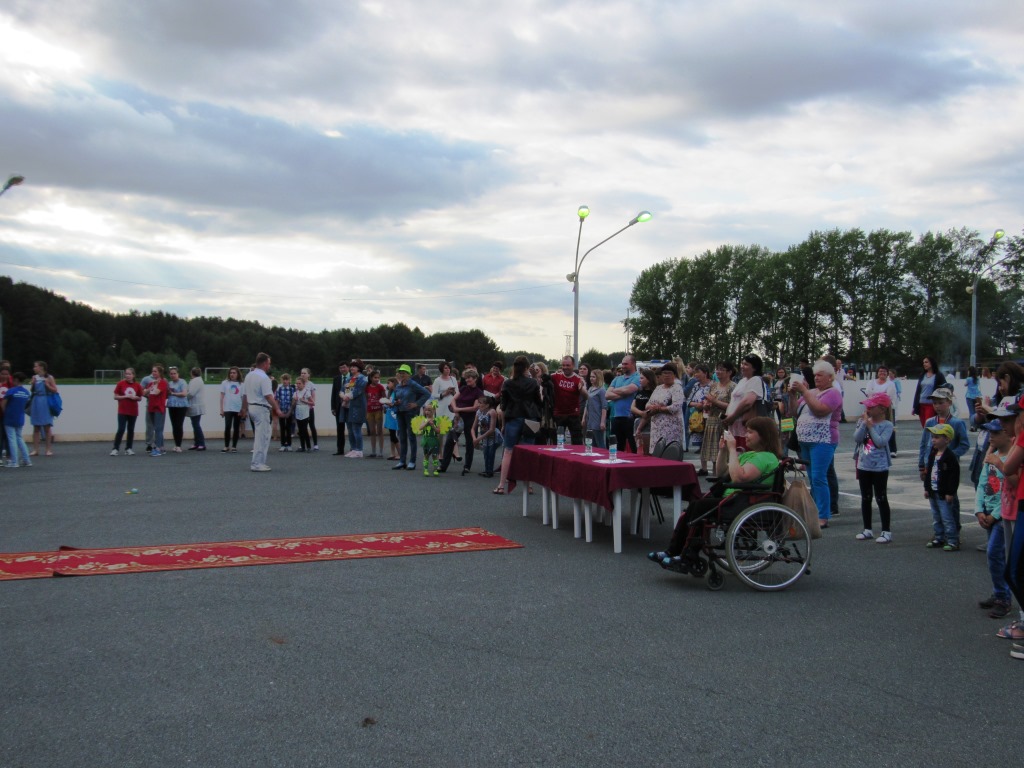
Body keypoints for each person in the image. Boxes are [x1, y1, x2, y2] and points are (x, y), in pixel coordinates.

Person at [648, 416, 782, 570]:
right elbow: (722, 472)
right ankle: (674, 552)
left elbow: (739, 478)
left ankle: (687, 555)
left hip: (743, 502)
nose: (745, 435)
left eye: (750, 432)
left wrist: (733, 449)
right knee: (694, 507)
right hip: (734, 498)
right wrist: (723, 450)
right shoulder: (750, 455)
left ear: (763, 435)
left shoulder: (765, 457)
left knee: (699, 508)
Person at [790, 360, 844, 528]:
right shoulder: (812, 392)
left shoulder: (833, 393)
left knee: (819, 477)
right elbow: (793, 411)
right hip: (806, 441)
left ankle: (823, 515)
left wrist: (804, 391)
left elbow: (820, 410)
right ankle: (815, 511)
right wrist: (792, 395)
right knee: (813, 478)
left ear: (830, 377)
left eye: (820, 375)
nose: (816, 378)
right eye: (815, 375)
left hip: (823, 440)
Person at [975, 418, 1014, 618]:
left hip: (1001, 515)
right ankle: (999, 591)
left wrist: (994, 515)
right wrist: (979, 510)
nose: (991, 436)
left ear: (1008, 434)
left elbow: (1008, 491)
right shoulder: (991, 457)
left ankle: (1003, 597)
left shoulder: (1010, 460)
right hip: (988, 511)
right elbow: (982, 484)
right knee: (995, 556)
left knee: (994, 553)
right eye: (990, 432)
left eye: (996, 433)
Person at [917, 386, 969, 523]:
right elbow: (924, 444)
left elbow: (964, 444)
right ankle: (940, 528)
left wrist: (951, 455)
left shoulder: (957, 423)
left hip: (948, 468)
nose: (937, 406)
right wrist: (922, 466)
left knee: (950, 497)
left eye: (941, 402)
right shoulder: (930, 422)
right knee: (934, 497)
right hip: (931, 467)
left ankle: (954, 528)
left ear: (949, 403)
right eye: (935, 403)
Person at [494, 355, 542, 494]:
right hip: (531, 418)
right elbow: (539, 402)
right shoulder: (533, 383)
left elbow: (503, 405)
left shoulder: (508, 383)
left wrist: (503, 423)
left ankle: (501, 485)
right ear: (527, 367)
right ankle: (529, 485)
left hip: (513, 418)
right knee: (529, 452)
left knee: (508, 451)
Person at [853, 392, 894, 543]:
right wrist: (864, 424)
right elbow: (857, 438)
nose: (868, 409)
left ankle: (886, 531)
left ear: (882, 409)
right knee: (866, 497)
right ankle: (867, 529)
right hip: (864, 465)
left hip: (879, 467)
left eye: (871, 406)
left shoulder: (887, 425)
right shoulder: (863, 422)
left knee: (881, 497)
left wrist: (870, 426)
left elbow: (880, 442)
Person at [241, 352, 282, 472]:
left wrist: (244, 409)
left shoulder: (249, 375)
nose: (269, 366)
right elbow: (268, 396)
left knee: (261, 435)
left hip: (252, 407)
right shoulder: (264, 378)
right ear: (264, 363)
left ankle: (259, 462)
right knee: (262, 437)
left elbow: (245, 395)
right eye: (269, 363)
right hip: (261, 408)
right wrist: (277, 408)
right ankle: (257, 463)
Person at [924, 423, 961, 550]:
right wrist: (927, 488)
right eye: (932, 437)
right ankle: (939, 537)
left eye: (937, 437)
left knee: (947, 517)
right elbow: (928, 472)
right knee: (936, 517)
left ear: (947, 439)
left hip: (944, 493)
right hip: (933, 492)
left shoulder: (950, 457)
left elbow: (954, 477)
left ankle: (952, 539)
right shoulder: (933, 454)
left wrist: (950, 492)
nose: (933, 440)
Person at [441, 369, 483, 474]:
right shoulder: (463, 388)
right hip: (458, 418)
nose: (467, 380)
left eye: (469, 378)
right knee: (450, 440)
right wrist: (456, 410)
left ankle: (467, 466)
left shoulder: (479, 392)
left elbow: (474, 408)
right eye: (466, 378)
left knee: (469, 442)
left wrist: (458, 409)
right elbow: (453, 400)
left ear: (475, 379)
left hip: (471, 419)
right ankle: (443, 466)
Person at [723, 353, 768, 450]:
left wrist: (733, 416)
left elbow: (748, 402)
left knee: (744, 452)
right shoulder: (742, 381)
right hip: (735, 425)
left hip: (745, 427)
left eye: (746, 364)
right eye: (742, 363)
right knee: (735, 452)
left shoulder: (756, 380)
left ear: (755, 368)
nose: (742, 366)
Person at [391, 364, 431, 471]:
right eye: (400, 373)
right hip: (400, 412)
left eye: (404, 373)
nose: (402, 374)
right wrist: (396, 402)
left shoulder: (413, 384)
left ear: (409, 374)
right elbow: (397, 398)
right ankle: (402, 461)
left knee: (411, 436)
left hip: (410, 413)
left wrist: (416, 404)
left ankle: (412, 461)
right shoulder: (398, 386)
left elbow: (427, 394)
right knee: (402, 437)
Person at [700, 362, 735, 478]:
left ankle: (721, 476)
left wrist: (714, 402)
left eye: (721, 369)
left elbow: (733, 406)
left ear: (729, 372)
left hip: (724, 421)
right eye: (717, 369)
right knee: (713, 451)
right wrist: (706, 405)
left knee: (723, 451)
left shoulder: (733, 387)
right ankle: (715, 475)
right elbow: (708, 402)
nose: (718, 372)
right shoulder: (713, 385)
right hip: (712, 420)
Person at [644, 363, 685, 451]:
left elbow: (675, 407)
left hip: (672, 428)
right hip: (656, 427)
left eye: (669, 373)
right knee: (656, 452)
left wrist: (659, 408)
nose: (667, 375)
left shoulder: (677, 388)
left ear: (674, 375)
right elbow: (647, 405)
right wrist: (654, 407)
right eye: (664, 373)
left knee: (669, 452)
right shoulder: (658, 388)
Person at [606, 355, 642, 453]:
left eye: (626, 364)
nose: (623, 366)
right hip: (616, 417)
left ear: (633, 364)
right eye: (622, 364)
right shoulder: (617, 379)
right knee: (616, 447)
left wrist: (615, 390)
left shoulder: (638, 378)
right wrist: (623, 394)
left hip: (630, 417)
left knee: (633, 447)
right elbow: (607, 395)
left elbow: (629, 390)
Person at [551, 355, 588, 445]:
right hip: (559, 414)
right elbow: (543, 377)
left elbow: (586, 396)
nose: (565, 367)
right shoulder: (555, 376)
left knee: (577, 442)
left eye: (568, 365)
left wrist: (581, 389)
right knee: (558, 442)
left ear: (573, 365)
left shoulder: (579, 379)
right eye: (563, 365)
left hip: (573, 414)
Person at [866, 365, 899, 456]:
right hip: (873, 408)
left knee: (890, 427)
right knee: (871, 426)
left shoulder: (891, 384)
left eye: (884, 371)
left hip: (887, 409)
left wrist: (875, 395)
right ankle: (869, 447)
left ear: (887, 373)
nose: (882, 373)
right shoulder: (871, 382)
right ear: (877, 373)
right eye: (880, 371)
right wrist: (881, 395)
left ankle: (892, 450)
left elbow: (889, 396)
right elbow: (868, 392)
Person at [2, 372, 32, 468]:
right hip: (20, 417)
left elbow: (3, 404)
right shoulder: (26, 392)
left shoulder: (11, 391)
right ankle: (27, 460)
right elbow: (26, 405)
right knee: (19, 438)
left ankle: (14, 462)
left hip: (10, 417)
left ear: (16, 380)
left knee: (11, 439)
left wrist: (5, 413)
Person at [29, 361, 58, 457]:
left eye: (35, 366)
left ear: (41, 367)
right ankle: (35, 449)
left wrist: (47, 385)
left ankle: (48, 449)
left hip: (45, 401)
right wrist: (33, 384)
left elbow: (55, 390)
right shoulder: (34, 377)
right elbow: (32, 390)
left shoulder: (49, 377)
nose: (34, 368)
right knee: (36, 427)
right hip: (36, 400)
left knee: (47, 426)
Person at [112, 367, 143, 456]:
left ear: (133, 375)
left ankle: (129, 448)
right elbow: (115, 396)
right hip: (122, 410)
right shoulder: (120, 384)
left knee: (131, 429)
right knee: (121, 429)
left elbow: (140, 397)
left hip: (133, 410)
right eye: (126, 374)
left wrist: (135, 397)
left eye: (129, 374)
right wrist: (125, 396)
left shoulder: (137, 385)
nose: (128, 376)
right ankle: (115, 448)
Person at [411, 402, 449, 476]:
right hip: (426, 440)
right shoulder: (424, 420)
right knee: (426, 455)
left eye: (429, 410)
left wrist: (433, 426)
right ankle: (426, 469)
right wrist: (426, 423)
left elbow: (438, 431)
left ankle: (435, 469)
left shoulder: (436, 420)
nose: (427, 412)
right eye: (426, 410)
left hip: (434, 440)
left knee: (435, 456)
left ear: (433, 411)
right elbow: (420, 428)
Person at [912, 356, 948, 426]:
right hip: (921, 404)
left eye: (926, 362)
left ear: (932, 363)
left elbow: (945, 388)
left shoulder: (938, 375)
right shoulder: (922, 375)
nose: (924, 364)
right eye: (923, 362)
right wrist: (914, 406)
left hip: (931, 405)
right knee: (924, 426)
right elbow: (918, 391)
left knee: (929, 425)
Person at [343, 360, 368, 458]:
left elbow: (358, 391)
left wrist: (347, 397)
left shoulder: (362, 379)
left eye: (354, 366)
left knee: (356, 428)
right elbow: (346, 390)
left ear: (359, 368)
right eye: (351, 366)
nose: (352, 368)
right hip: (350, 406)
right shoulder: (350, 378)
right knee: (350, 429)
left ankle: (359, 450)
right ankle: (353, 449)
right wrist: (344, 396)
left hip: (358, 406)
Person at [471, 394, 499, 478]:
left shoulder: (492, 412)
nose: (478, 405)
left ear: (487, 405)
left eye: (480, 403)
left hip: (493, 436)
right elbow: (473, 428)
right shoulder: (479, 412)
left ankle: (489, 471)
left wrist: (479, 438)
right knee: (485, 452)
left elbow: (492, 429)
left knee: (491, 452)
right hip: (484, 435)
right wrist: (474, 438)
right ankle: (487, 469)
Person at [630, 369, 656, 455]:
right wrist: (641, 413)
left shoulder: (653, 392)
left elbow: (649, 412)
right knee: (639, 449)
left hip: (648, 423)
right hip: (637, 420)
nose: (639, 380)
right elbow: (632, 407)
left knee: (647, 450)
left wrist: (644, 415)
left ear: (649, 379)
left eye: (642, 378)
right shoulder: (639, 391)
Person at [145, 364, 169, 457]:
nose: (153, 373)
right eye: (152, 371)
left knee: (158, 429)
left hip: (159, 408)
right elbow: (143, 392)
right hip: (151, 408)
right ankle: (161, 447)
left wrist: (153, 387)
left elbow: (156, 392)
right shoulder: (151, 383)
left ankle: (158, 448)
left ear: (160, 373)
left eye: (155, 371)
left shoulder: (162, 382)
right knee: (156, 428)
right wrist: (150, 388)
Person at [219, 367, 243, 453]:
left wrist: (243, 409)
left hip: (237, 408)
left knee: (236, 427)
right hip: (228, 408)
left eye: (234, 373)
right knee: (227, 427)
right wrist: (221, 409)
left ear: (238, 374)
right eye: (231, 373)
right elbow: (222, 397)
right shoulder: (225, 383)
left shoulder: (241, 384)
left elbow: (243, 397)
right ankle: (226, 446)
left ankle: (234, 446)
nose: (232, 374)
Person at [583, 369, 608, 449]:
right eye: (590, 376)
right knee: (591, 442)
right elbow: (587, 404)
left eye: (593, 377)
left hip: (597, 419)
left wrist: (602, 422)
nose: (591, 378)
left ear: (598, 377)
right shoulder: (590, 389)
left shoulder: (601, 390)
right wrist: (584, 418)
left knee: (599, 442)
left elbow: (604, 406)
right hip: (590, 419)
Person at [166, 367, 189, 453]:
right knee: (174, 425)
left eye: (174, 373)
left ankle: (179, 445)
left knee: (179, 425)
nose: (173, 375)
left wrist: (173, 393)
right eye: (171, 374)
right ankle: (176, 444)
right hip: (172, 406)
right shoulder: (169, 383)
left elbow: (184, 393)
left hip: (181, 406)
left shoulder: (182, 382)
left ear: (178, 374)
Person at [364, 370, 386, 458]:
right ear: (371, 378)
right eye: (375, 377)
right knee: (372, 431)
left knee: (379, 431)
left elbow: (384, 398)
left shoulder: (380, 387)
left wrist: (384, 407)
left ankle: (381, 451)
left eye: (378, 378)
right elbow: (366, 398)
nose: (377, 379)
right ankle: (373, 451)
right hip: (370, 411)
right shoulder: (367, 387)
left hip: (378, 411)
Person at [330, 362, 351, 455]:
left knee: (351, 428)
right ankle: (340, 449)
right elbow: (334, 393)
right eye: (341, 368)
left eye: (344, 367)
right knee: (340, 429)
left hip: (350, 407)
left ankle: (354, 448)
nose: (342, 369)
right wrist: (333, 407)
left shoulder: (353, 378)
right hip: (339, 407)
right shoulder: (336, 379)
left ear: (348, 368)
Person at [299, 368, 319, 451]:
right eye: (302, 373)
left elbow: (313, 398)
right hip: (301, 409)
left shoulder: (311, 384)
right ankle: (303, 444)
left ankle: (315, 444)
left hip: (309, 408)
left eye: (304, 373)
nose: (303, 374)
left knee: (311, 425)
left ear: (309, 375)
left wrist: (310, 403)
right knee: (302, 427)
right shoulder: (299, 383)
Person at [187, 367, 206, 451]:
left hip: (195, 405)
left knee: (196, 424)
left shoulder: (195, 381)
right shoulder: (198, 380)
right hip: (196, 405)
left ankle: (201, 443)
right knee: (195, 424)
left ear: (192, 373)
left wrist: (184, 397)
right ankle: (197, 443)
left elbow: (191, 393)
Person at [275, 373, 296, 453]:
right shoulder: (279, 389)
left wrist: (290, 411)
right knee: (282, 428)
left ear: (289, 380)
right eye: (284, 380)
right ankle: (283, 444)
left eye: (286, 380)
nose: (285, 381)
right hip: (281, 411)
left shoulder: (292, 389)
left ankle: (289, 444)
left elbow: (293, 401)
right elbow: (277, 400)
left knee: (288, 428)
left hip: (289, 412)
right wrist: (278, 410)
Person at [294, 376, 314, 453]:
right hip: (298, 411)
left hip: (305, 411)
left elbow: (313, 403)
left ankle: (308, 446)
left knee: (304, 429)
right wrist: (295, 401)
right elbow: (293, 404)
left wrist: (305, 401)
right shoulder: (295, 393)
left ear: (303, 384)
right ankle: (302, 446)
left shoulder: (306, 392)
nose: (298, 385)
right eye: (297, 383)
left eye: (299, 383)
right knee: (300, 430)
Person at [965, 367, 982, 431]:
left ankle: (972, 426)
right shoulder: (977, 379)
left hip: (969, 396)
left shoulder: (968, 379)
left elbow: (965, 384)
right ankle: (977, 425)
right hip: (977, 396)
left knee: (971, 411)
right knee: (977, 411)